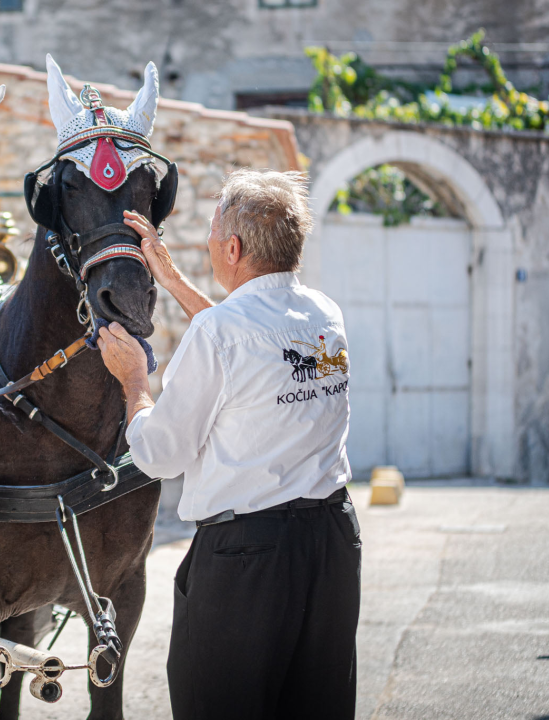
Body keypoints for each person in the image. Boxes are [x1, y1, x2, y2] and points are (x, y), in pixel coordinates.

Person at [96, 169, 360, 720]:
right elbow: (253, 346)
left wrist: (134, 384)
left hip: (248, 560)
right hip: (332, 546)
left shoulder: (219, 335)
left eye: (214, 236)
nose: (212, 245)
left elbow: (159, 454)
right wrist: (171, 280)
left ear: (233, 247)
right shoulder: (323, 315)